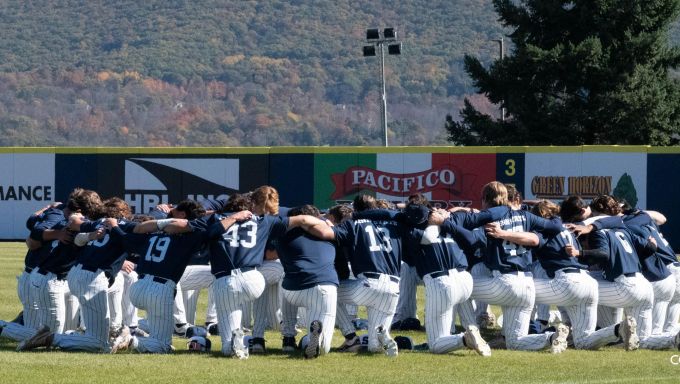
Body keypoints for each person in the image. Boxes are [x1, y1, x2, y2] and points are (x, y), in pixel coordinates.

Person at [403, 203, 491, 356]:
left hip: (441, 282)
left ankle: (465, 339)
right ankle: (473, 330)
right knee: (465, 314)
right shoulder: (449, 223)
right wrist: (443, 218)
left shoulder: (412, 231)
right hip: (465, 279)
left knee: (435, 344)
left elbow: (428, 237)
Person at [277, 205, 338, 358]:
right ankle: (314, 339)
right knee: (324, 349)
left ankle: (288, 338)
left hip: (293, 291)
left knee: (284, 280)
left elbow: (270, 255)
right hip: (324, 287)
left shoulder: (282, 233)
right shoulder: (330, 233)